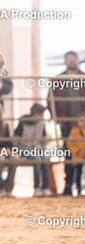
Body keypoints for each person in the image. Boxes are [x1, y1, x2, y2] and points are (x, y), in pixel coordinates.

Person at [48, 51, 85, 196]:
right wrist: (55, 117)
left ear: (77, 60)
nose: (71, 61)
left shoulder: (83, 77)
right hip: (66, 123)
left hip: (83, 123)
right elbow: (50, 100)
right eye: (69, 59)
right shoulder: (58, 80)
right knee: (68, 153)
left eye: (73, 58)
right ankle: (68, 185)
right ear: (65, 61)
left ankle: (80, 185)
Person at [14, 104, 50, 197]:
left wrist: (44, 151)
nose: (42, 116)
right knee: (36, 159)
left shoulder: (42, 123)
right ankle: (36, 188)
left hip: (37, 149)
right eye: (41, 114)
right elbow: (16, 138)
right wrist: (16, 151)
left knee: (45, 159)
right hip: (24, 149)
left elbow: (43, 140)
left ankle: (45, 188)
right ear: (36, 114)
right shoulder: (23, 122)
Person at [65, 110, 85, 196]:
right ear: (77, 122)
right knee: (78, 173)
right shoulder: (74, 131)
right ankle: (78, 188)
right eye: (80, 120)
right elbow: (69, 143)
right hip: (78, 156)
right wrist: (78, 151)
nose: (82, 123)